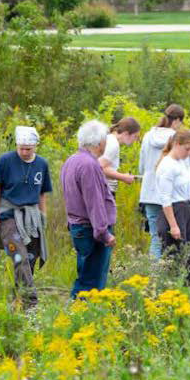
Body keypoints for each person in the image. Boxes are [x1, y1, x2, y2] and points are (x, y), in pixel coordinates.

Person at [0, 126, 52, 307]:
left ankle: (18, 303)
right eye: (21, 148)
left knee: (29, 260)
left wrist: (43, 217)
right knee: (19, 257)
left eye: (28, 149)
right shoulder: (5, 161)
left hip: (32, 218)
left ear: (35, 146)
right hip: (8, 217)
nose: (24, 152)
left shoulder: (42, 164)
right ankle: (32, 304)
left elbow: (42, 194)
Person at [61, 120, 118, 298]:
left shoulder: (72, 161)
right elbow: (94, 202)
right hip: (91, 229)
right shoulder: (89, 165)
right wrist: (103, 233)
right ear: (100, 143)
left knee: (85, 275)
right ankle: (80, 318)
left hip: (78, 227)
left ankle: (80, 316)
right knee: (91, 283)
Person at [155, 129, 190, 281]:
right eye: (186, 149)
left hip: (185, 208)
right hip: (174, 212)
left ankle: (189, 291)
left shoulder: (181, 162)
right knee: (176, 258)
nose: (189, 153)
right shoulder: (167, 165)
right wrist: (174, 225)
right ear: (176, 144)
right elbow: (165, 198)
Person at [138, 104, 185, 259]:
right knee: (173, 236)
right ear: (177, 120)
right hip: (170, 195)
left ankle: (153, 275)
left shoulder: (147, 136)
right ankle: (168, 273)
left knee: (155, 237)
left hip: (149, 191)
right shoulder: (176, 139)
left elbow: (142, 166)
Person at [100, 117, 141, 194]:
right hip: (105, 190)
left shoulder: (109, 139)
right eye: (135, 136)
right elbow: (100, 167)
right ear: (126, 133)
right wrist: (124, 177)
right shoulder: (113, 144)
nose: (135, 140)